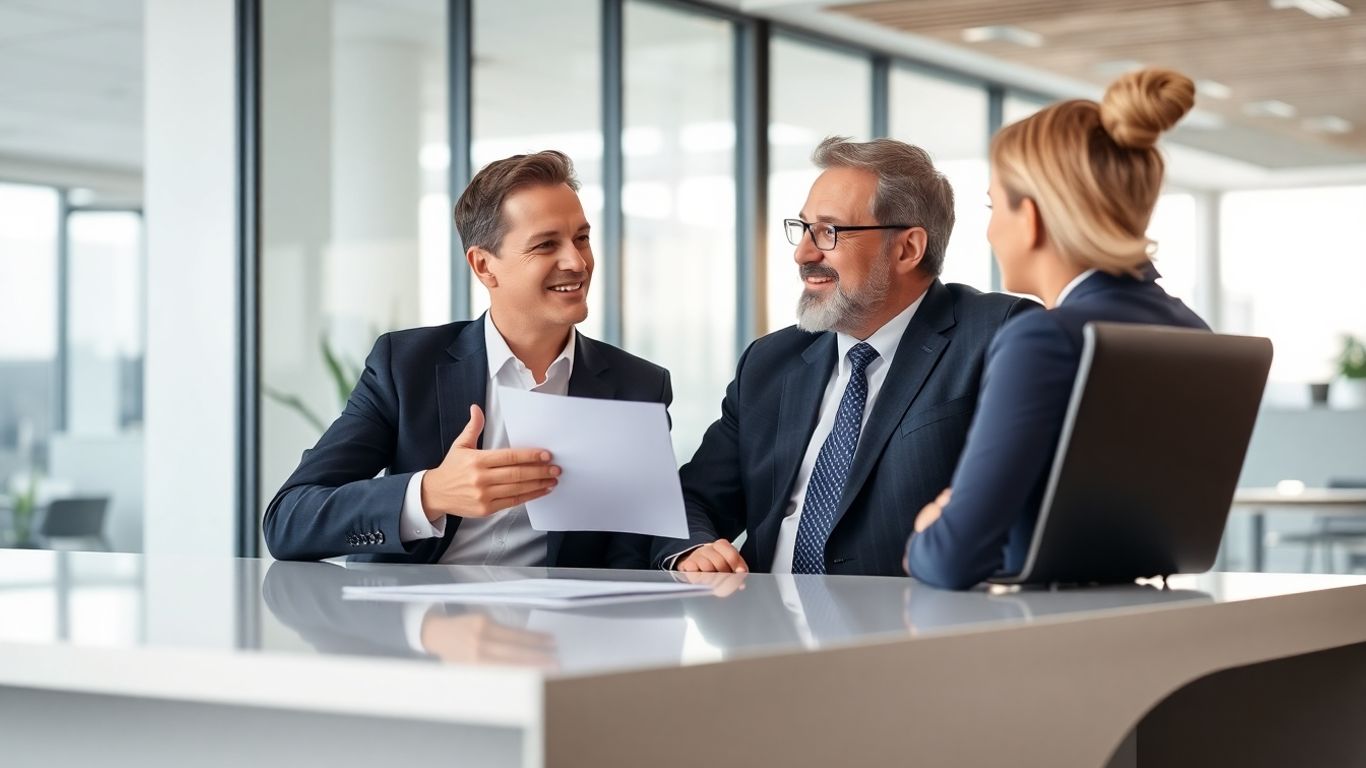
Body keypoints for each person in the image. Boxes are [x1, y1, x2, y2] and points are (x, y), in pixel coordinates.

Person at [265, 150, 671, 568]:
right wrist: (431, 493)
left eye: (582, 238)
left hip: (557, 629)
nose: (577, 261)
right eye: (547, 244)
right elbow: (288, 520)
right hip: (413, 625)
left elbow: (635, 548)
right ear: (483, 266)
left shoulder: (637, 387)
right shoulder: (406, 367)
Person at [654, 137, 1037, 577]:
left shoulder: (999, 335)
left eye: (829, 231)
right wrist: (693, 548)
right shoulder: (770, 361)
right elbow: (693, 498)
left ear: (907, 248)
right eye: (803, 229)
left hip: (909, 629)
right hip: (763, 626)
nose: (803, 253)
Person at [904, 68, 1209, 590]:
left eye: (993, 206)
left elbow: (949, 559)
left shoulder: (1042, 338)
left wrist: (933, 525)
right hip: (1145, 613)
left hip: (1043, 638)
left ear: (1032, 217)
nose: (990, 229)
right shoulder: (1191, 330)